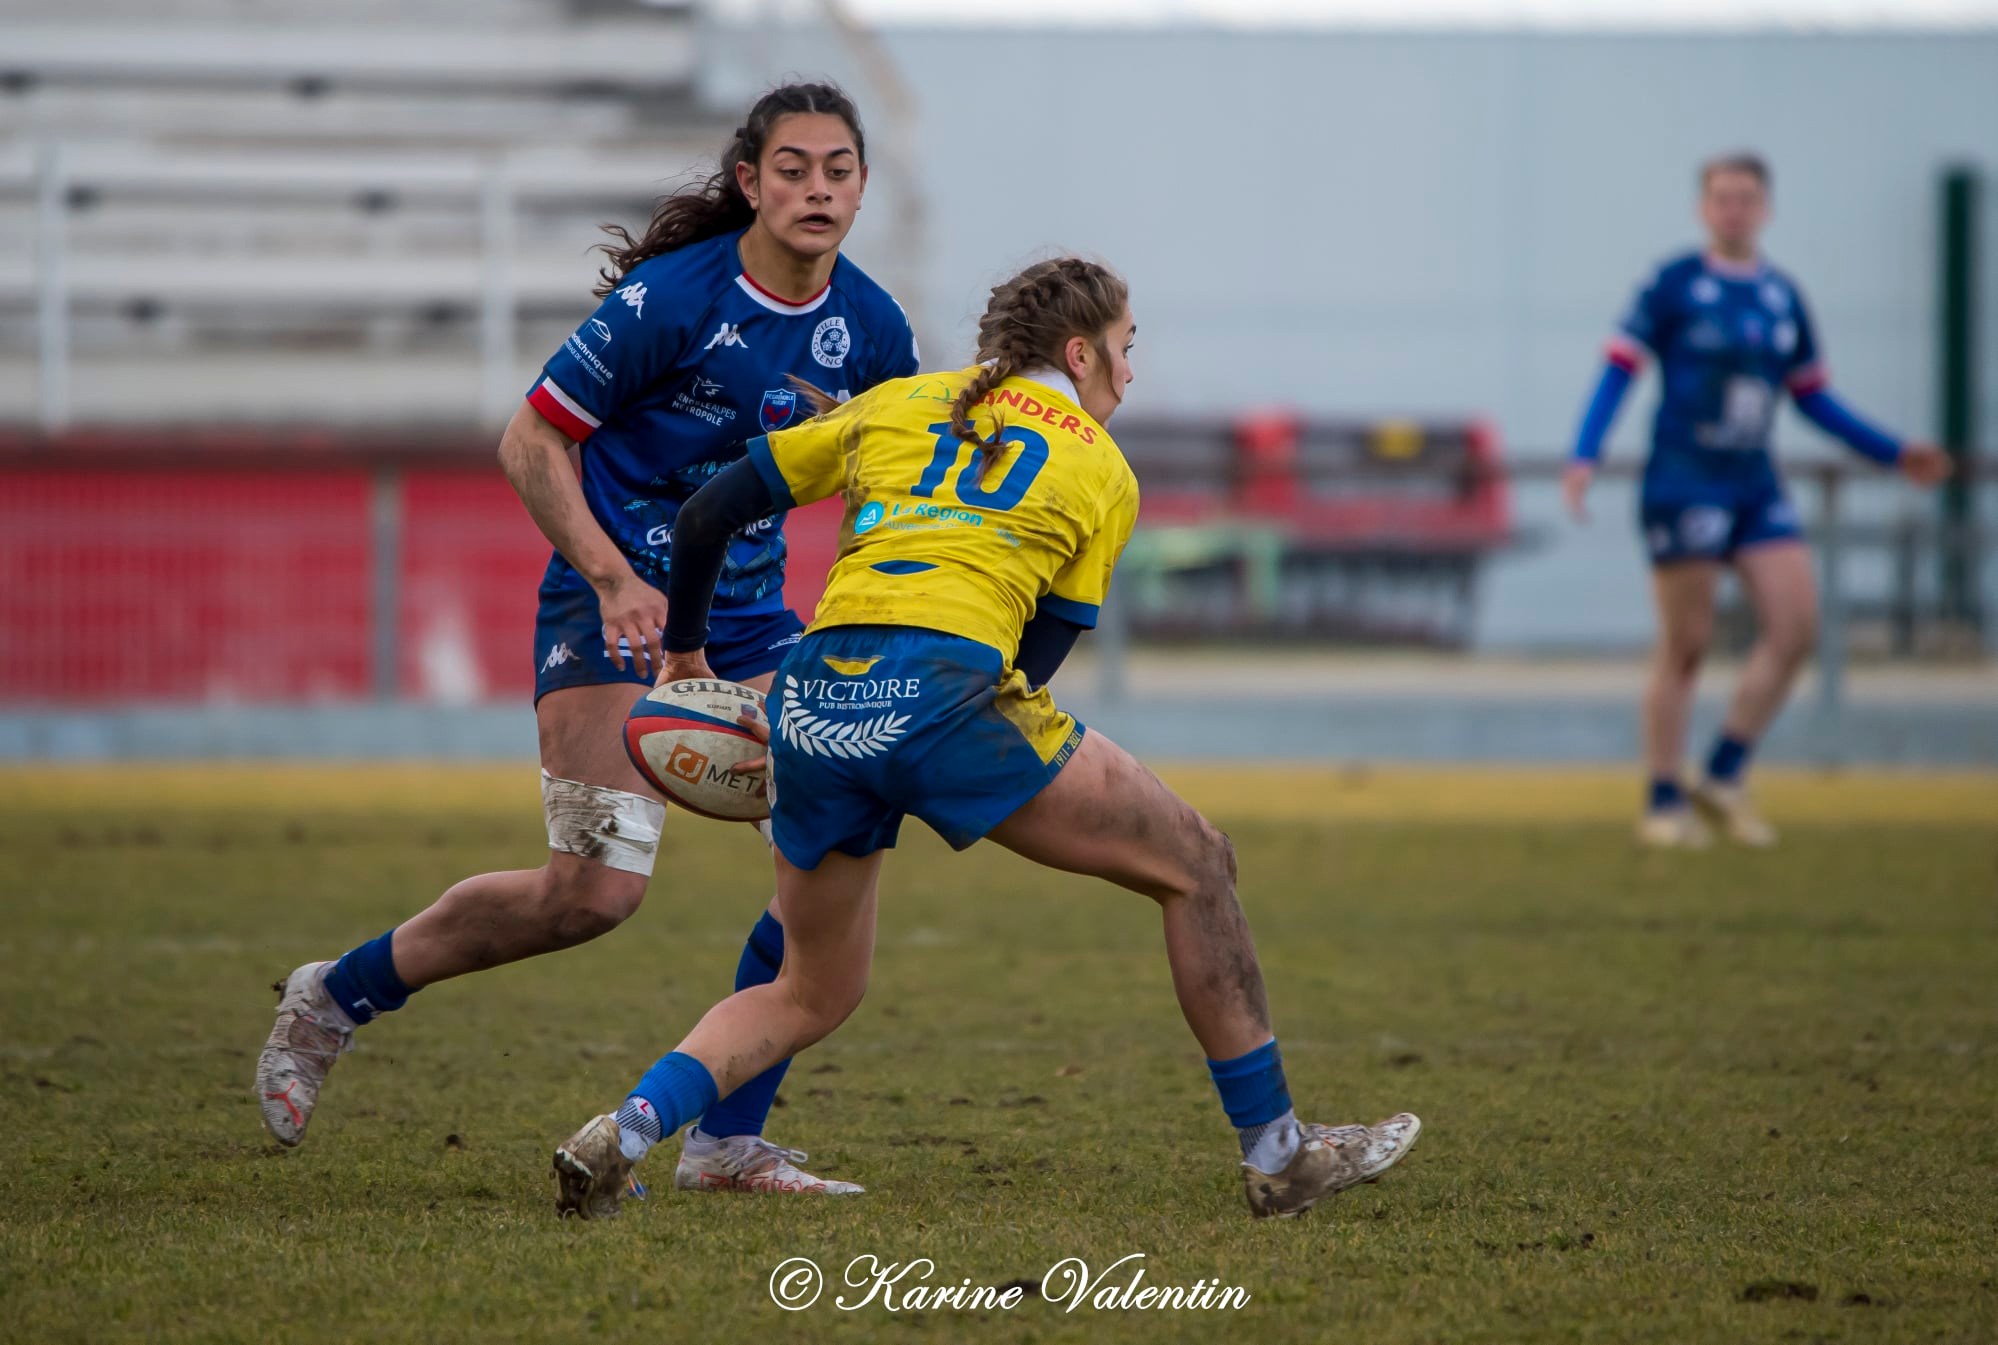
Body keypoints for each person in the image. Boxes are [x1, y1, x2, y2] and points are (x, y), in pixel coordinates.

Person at [548, 257, 1421, 1220]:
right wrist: (928, 762)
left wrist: (684, 656)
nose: (1131, 375)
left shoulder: (896, 404)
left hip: (811, 692)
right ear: (1081, 352)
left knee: (808, 986)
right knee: (1198, 864)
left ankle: (622, 1130)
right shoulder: (1098, 462)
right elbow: (1034, 659)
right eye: (1127, 351)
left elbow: (708, 510)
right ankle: (1281, 1154)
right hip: (944, 691)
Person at [255, 83, 919, 1196]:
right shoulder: (676, 299)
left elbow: (892, 482)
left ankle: (724, 1142)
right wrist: (612, 578)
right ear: (751, 184)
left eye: (838, 169)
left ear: (861, 185)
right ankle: (334, 995)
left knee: (833, 862)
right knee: (592, 895)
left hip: (755, 621)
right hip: (621, 607)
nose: (817, 188)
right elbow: (531, 439)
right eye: (793, 168)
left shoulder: (877, 329)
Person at [1564, 152, 1951, 848]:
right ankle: (1662, 797)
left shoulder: (1782, 297)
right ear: (1702, 209)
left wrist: (1894, 451)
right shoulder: (1674, 284)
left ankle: (1723, 769)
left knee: (1797, 625)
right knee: (1687, 643)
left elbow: (1813, 399)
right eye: (1721, 198)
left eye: (1746, 198)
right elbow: (1619, 370)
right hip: (1683, 480)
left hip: (1753, 481)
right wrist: (1584, 452)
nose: (1734, 209)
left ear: (1766, 208)